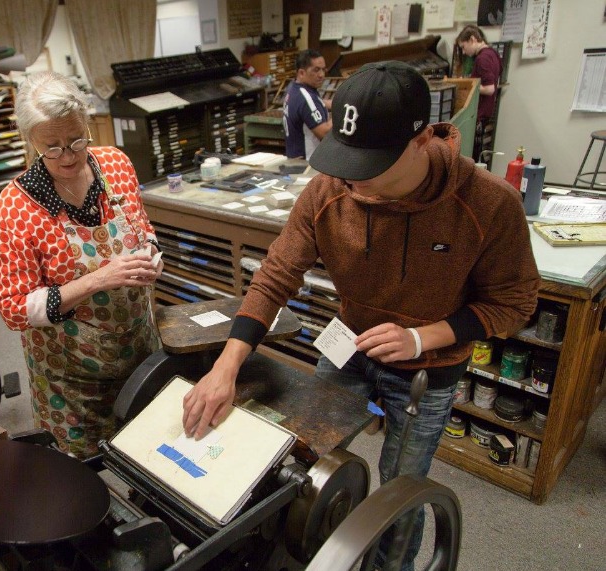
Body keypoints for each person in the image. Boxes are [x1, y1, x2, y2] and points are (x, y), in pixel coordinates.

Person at [182, 62, 539, 570]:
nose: (351, 184)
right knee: (305, 458)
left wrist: (422, 339)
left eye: (369, 167)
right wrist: (226, 366)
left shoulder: (487, 204)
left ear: (420, 141)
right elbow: (276, 274)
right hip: (347, 345)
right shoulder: (332, 188)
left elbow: (515, 303)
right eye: (346, 162)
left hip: (427, 369)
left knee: (399, 491)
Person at [0, 71, 163, 458]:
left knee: (150, 454)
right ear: (30, 140)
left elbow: (144, 229)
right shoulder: (17, 207)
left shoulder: (116, 165)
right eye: (51, 147)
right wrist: (95, 281)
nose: (68, 156)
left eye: (77, 140)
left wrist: (153, 257)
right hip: (71, 380)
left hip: (138, 351)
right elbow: (13, 308)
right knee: (85, 473)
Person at [457, 25, 503, 161]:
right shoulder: (493, 54)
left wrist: (467, 86)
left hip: (480, 114)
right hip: (486, 111)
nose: (464, 52)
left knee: (473, 155)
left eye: (464, 47)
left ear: (472, 39)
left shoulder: (482, 58)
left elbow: (489, 89)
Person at [283, 49, 332, 160]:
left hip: (294, 159)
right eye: (316, 70)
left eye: (323, 70)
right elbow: (324, 133)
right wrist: (346, 111)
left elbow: (317, 103)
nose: (321, 75)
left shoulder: (294, 89)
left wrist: (339, 102)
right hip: (308, 164)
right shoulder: (306, 98)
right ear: (301, 73)